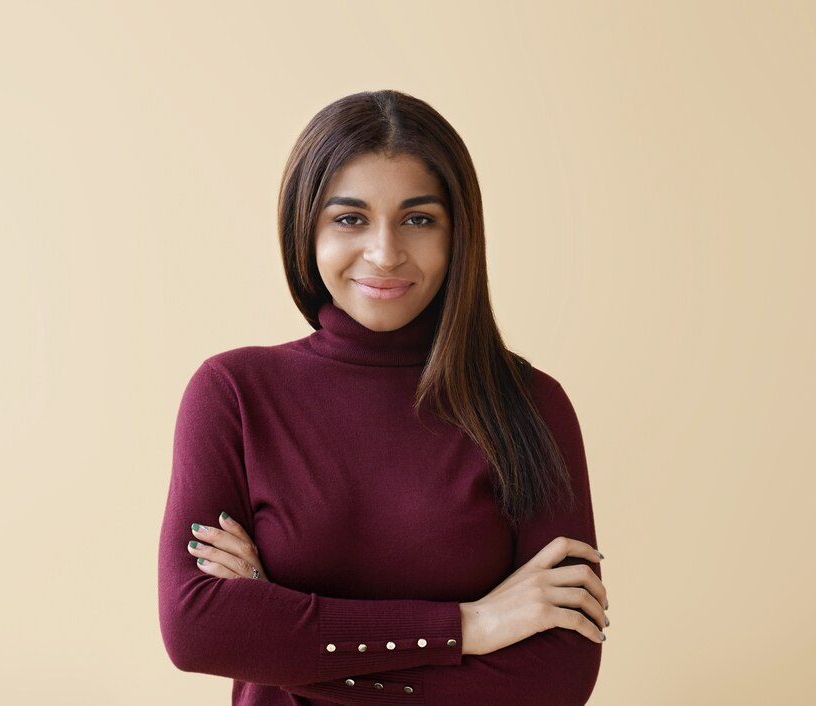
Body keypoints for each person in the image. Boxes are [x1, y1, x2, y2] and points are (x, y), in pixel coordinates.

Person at [158, 89, 609, 706]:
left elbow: (556, 681)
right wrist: (469, 628)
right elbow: (199, 632)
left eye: (418, 219)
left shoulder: (531, 407)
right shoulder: (234, 395)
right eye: (350, 219)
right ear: (306, 230)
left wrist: (283, 635)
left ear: (458, 236)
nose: (386, 253)